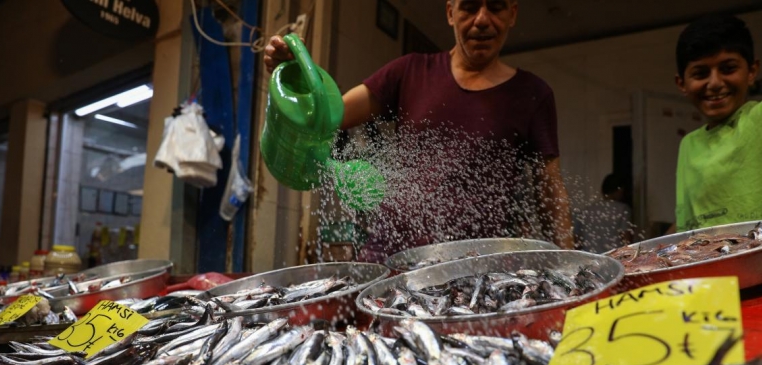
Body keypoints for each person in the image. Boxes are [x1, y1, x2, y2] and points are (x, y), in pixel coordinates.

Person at [265, 0, 575, 261]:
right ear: (450, 12)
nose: (482, 19)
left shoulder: (533, 94)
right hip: (393, 259)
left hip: (476, 269)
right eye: (469, 7)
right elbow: (328, 117)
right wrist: (294, 79)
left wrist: (568, 265)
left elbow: (549, 189)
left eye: (495, 7)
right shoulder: (410, 71)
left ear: (512, 14)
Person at [673, 15, 762, 232]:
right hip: (710, 265)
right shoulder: (688, 145)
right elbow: (689, 226)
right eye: (701, 73)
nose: (715, 83)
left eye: (728, 68)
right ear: (682, 83)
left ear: (752, 71)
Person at [574, 174, 633, 253]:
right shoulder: (622, 209)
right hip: (612, 258)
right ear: (620, 190)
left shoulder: (587, 210)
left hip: (590, 257)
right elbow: (626, 239)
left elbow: (576, 238)